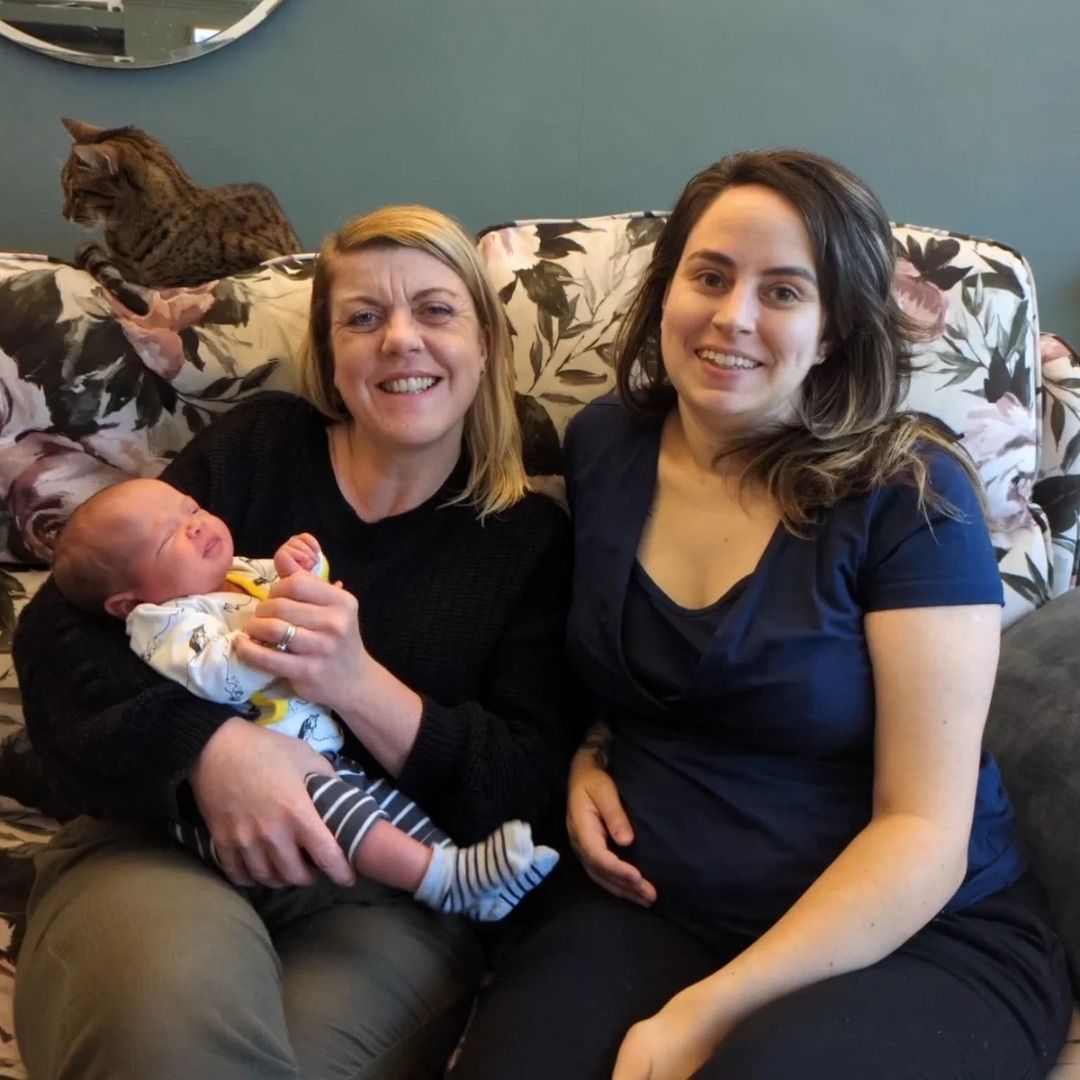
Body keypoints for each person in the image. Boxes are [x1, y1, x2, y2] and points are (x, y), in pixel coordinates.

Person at [449, 150, 1073, 1080]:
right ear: (667, 294)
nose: (732, 317)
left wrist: (706, 1013)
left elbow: (924, 830)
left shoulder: (912, 496)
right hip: (651, 902)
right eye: (709, 276)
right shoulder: (606, 447)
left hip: (912, 937)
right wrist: (589, 750)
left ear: (831, 332)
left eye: (783, 292)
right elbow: (617, 664)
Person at [13, 204, 576, 1079]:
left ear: (489, 344)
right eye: (362, 317)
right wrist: (214, 749)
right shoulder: (261, 448)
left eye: (434, 310)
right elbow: (60, 634)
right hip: (162, 847)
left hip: (385, 895)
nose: (399, 340)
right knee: (168, 1033)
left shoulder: (530, 539)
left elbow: (529, 792)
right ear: (330, 352)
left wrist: (355, 684)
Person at [50, 477, 559, 922]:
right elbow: (217, 675)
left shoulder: (241, 572)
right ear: (128, 602)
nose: (197, 526)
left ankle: (465, 876)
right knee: (351, 814)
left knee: (387, 808)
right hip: (258, 792)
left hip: (318, 752)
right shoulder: (162, 622)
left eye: (192, 509)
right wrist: (270, 641)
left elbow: (301, 599)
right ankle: (437, 877)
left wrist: (300, 573)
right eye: (168, 538)